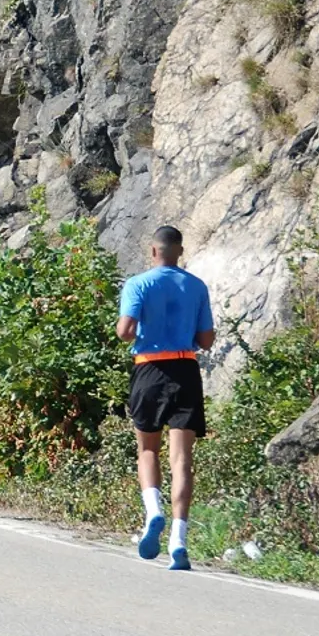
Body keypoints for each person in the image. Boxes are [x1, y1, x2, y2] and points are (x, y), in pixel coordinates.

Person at [117, 225, 216, 571]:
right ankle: (179, 540)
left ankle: (153, 512)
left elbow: (125, 331)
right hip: (186, 371)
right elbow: (206, 340)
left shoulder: (138, 284)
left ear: (153, 251)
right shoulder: (196, 285)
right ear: (180, 251)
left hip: (149, 370)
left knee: (147, 449)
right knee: (182, 460)